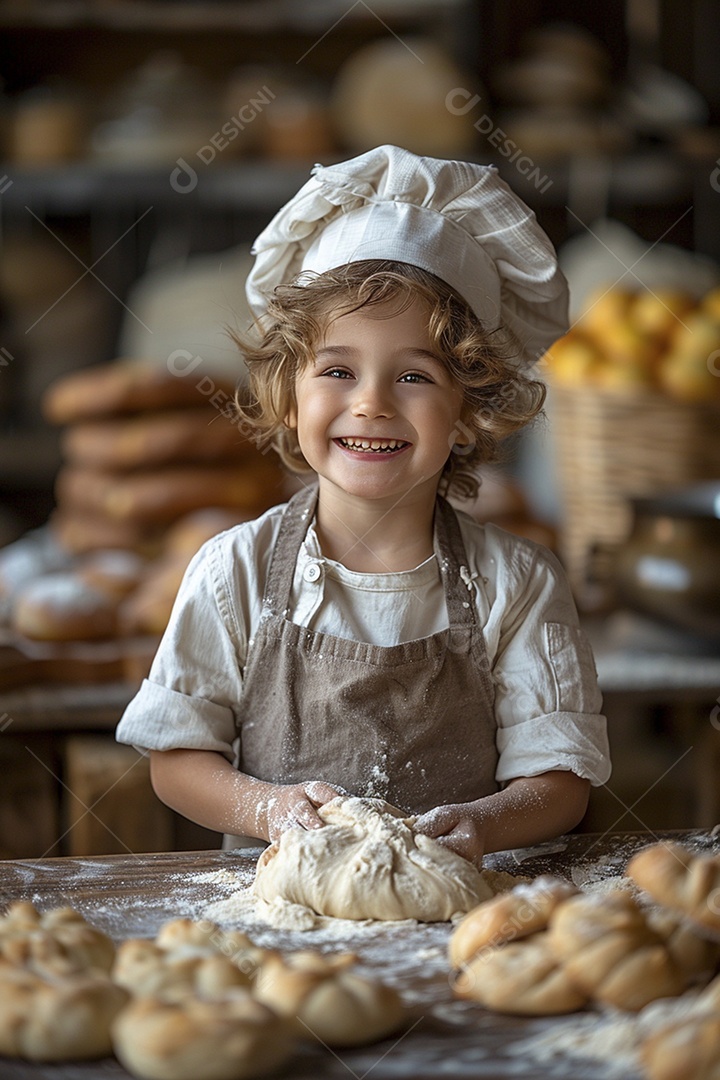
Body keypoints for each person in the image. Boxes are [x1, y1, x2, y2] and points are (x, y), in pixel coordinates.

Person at [116, 145, 610, 866]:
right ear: (289, 396)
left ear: (468, 409)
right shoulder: (235, 571)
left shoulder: (520, 582)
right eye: (338, 370)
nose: (371, 403)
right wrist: (269, 807)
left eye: (413, 375)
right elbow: (176, 760)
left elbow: (560, 780)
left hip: (455, 930)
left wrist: (487, 824)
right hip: (280, 931)